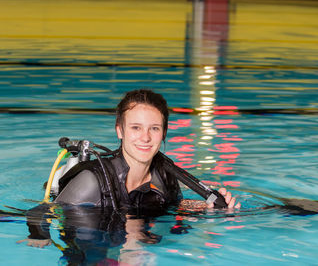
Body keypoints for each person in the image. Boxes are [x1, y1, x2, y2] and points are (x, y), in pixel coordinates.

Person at [54, 89, 241, 211]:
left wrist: (205, 207)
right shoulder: (93, 180)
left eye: (154, 128)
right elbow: (47, 213)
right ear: (120, 130)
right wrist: (38, 234)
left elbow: (173, 207)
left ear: (164, 132)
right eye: (136, 127)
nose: (145, 137)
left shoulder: (165, 174)